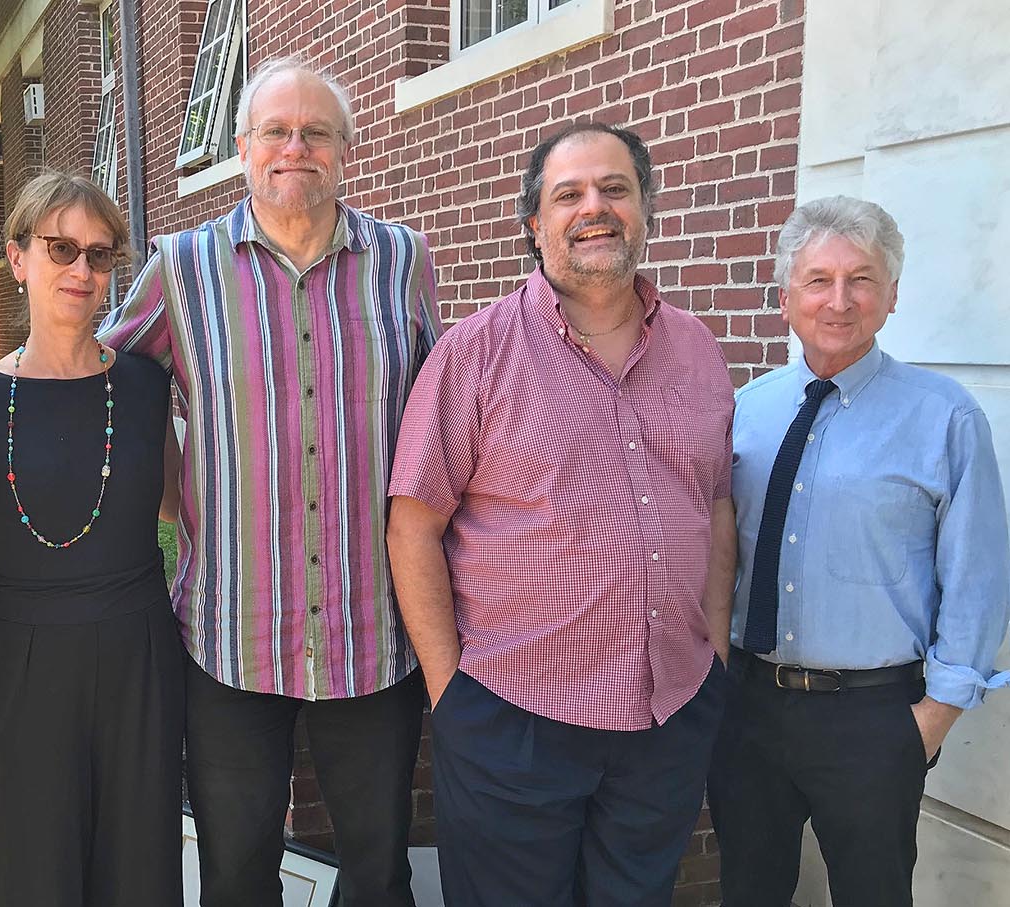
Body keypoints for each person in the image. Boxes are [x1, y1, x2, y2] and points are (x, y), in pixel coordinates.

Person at [99, 59, 442, 907]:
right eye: (276, 132)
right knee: (235, 869)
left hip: (373, 634)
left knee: (379, 870)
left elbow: (444, 416)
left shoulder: (403, 260)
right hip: (229, 634)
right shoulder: (180, 267)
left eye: (316, 132)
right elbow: (104, 386)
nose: (297, 148)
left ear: (346, 150)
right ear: (244, 147)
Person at [387, 121, 737, 907]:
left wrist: (711, 654)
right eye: (568, 193)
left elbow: (714, 504)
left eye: (615, 188)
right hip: (514, 719)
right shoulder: (474, 354)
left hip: (667, 715)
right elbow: (414, 524)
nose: (594, 207)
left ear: (646, 206)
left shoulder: (696, 348)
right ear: (533, 223)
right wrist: (453, 695)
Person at [709, 195, 1010, 907]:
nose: (839, 300)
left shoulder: (946, 416)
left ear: (893, 295)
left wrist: (932, 716)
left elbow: (978, 578)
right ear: (785, 297)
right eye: (818, 279)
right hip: (748, 708)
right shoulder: (748, 409)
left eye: (862, 278)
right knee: (748, 891)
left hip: (875, 719)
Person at [0, 171, 183, 906]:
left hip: (139, 658)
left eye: (100, 256)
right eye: (61, 248)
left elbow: (176, 503)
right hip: (23, 667)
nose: (81, 270)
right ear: (17, 258)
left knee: (140, 874)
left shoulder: (142, 384)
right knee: (33, 871)